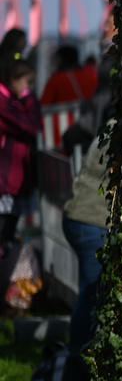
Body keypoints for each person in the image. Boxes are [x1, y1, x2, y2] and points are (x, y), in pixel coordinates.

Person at [0, 59, 41, 246]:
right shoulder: (8, 105)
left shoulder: (12, 103)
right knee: (5, 230)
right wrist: (28, 99)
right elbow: (30, 126)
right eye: (27, 83)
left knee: (7, 229)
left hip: (11, 177)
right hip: (9, 177)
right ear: (14, 80)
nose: (29, 88)